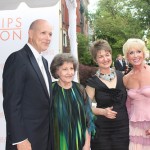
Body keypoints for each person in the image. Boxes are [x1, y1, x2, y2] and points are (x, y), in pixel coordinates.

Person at [3, 19, 53, 150]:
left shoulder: (44, 62)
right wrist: (20, 139)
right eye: (43, 33)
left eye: (50, 34)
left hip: (44, 137)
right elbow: (11, 103)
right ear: (30, 34)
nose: (48, 38)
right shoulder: (18, 59)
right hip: (26, 140)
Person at [86, 39, 129, 150]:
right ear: (95, 60)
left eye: (107, 54)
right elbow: (84, 107)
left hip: (123, 129)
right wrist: (102, 112)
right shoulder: (92, 82)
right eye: (100, 56)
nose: (105, 59)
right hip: (102, 131)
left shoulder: (122, 76)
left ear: (111, 55)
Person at [50, 53, 95, 150]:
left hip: (79, 143)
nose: (69, 72)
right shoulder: (50, 90)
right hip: (56, 143)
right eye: (65, 69)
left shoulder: (80, 89)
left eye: (71, 68)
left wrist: (87, 144)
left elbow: (89, 119)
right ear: (57, 71)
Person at [123, 38, 150, 150]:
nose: (135, 56)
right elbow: (128, 105)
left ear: (144, 53)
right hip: (135, 128)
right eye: (131, 52)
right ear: (127, 56)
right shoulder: (126, 79)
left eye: (138, 51)